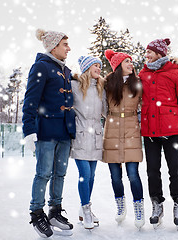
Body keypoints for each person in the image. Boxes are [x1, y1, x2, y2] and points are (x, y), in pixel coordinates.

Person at [22, 28, 75, 238]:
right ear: (54, 47)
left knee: (60, 174)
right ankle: (37, 213)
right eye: (65, 44)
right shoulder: (41, 67)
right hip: (46, 132)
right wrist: (28, 130)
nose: (68, 48)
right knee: (43, 174)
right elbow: (30, 100)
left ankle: (55, 211)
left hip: (64, 132)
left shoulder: (66, 70)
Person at [138, 38, 178, 227]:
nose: (147, 55)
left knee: (175, 170)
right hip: (150, 132)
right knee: (152, 171)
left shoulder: (176, 74)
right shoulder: (142, 75)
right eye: (146, 52)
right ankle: (157, 204)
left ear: (159, 53)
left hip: (172, 131)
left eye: (150, 52)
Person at [103, 49, 145, 229]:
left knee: (133, 174)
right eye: (127, 61)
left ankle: (139, 208)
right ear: (118, 65)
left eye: (131, 61)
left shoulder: (137, 83)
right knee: (115, 176)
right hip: (112, 129)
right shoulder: (108, 83)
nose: (131, 64)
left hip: (131, 130)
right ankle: (121, 207)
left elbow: (145, 105)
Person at [70, 55, 107, 230]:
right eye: (95, 66)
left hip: (96, 136)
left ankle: (84, 206)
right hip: (80, 135)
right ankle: (86, 210)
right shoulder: (74, 85)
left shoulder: (101, 88)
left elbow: (107, 111)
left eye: (100, 66)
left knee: (91, 176)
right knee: (84, 174)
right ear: (86, 68)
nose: (99, 69)